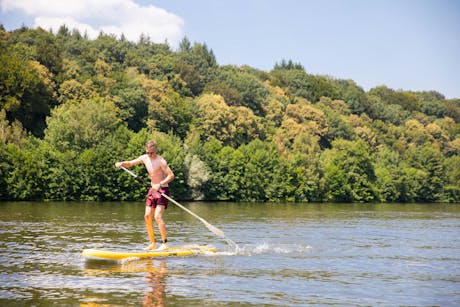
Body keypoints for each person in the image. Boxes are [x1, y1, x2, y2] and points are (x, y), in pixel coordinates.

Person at [115, 140, 175, 250]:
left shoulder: (161, 161)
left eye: (151, 153)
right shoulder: (144, 158)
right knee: (147, 216)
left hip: (162, 190)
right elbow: (130, 163)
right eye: (147, 152)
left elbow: (171, 176)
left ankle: (165, 244)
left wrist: (160, 184)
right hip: (152, 190)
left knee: (157, 216)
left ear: (156, 150)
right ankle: (152, 244)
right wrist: (121, 163)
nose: (149, 155)